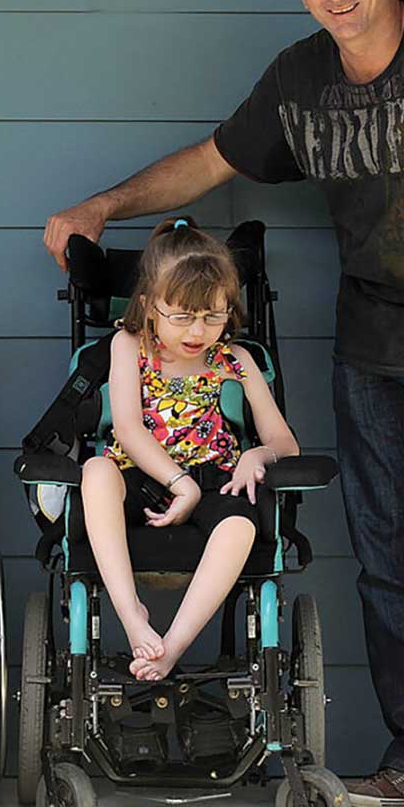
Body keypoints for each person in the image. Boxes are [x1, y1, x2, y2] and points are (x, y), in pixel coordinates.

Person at [42, 0, 404, 807]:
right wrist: (100, 208)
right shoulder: (300, 80)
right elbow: (208, 164)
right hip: (368, 344)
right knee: (388, 559)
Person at [80, 220, 302, 680]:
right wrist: (178, 484)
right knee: (97, 469)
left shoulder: (237, 361)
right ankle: (131, 613)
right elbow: (127, 427)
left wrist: (255, 455)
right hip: (140, 475)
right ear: (148, 308)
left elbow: (285, 444)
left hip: (213, 477)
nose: (198, 330)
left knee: (241, 525)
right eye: (181, 316)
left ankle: (172, 647)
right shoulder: (129, 347)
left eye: (213, 316)